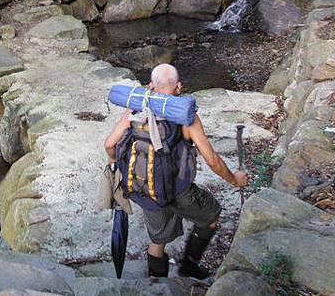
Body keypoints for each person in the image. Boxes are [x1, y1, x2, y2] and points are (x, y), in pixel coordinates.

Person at [104, 63, 248, 279]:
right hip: (180, 190)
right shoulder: (186, 117)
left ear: (151, 86)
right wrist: (235, 180)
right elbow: (212, 160)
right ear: (179, 87)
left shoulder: (135, 109)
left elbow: (109, 144)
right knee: (211, 216)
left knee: (157, 241)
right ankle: (189, 266)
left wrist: (115, 160)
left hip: (148, 189)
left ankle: (158, 285)